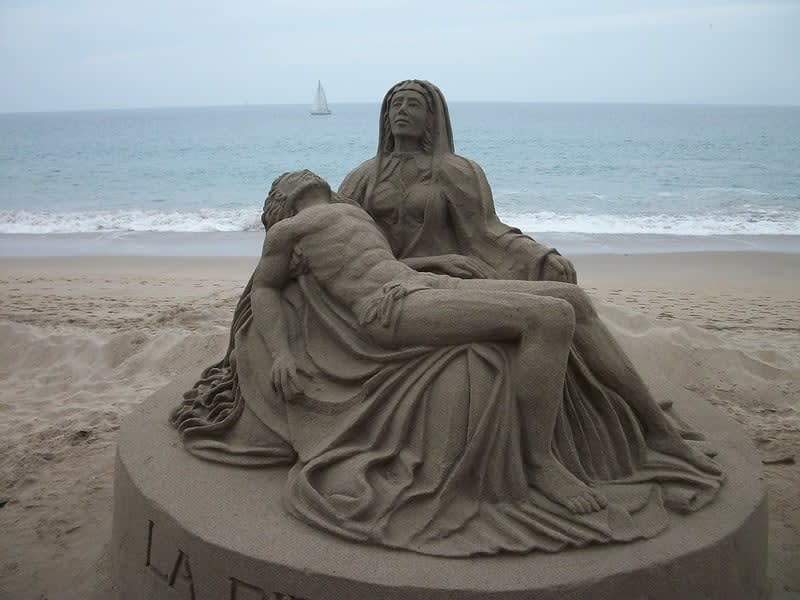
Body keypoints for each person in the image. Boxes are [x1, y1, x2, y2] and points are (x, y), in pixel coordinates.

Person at [339, 79, 577, 284]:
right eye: (396, 105)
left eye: (413, 105)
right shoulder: (364, 176)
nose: (402, 110)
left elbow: (488, 231)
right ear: (387, 116)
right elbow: (344, 239)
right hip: (385, 280)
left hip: (446, 280)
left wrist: (540, 257)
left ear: (431, 119)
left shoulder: (458, 171)